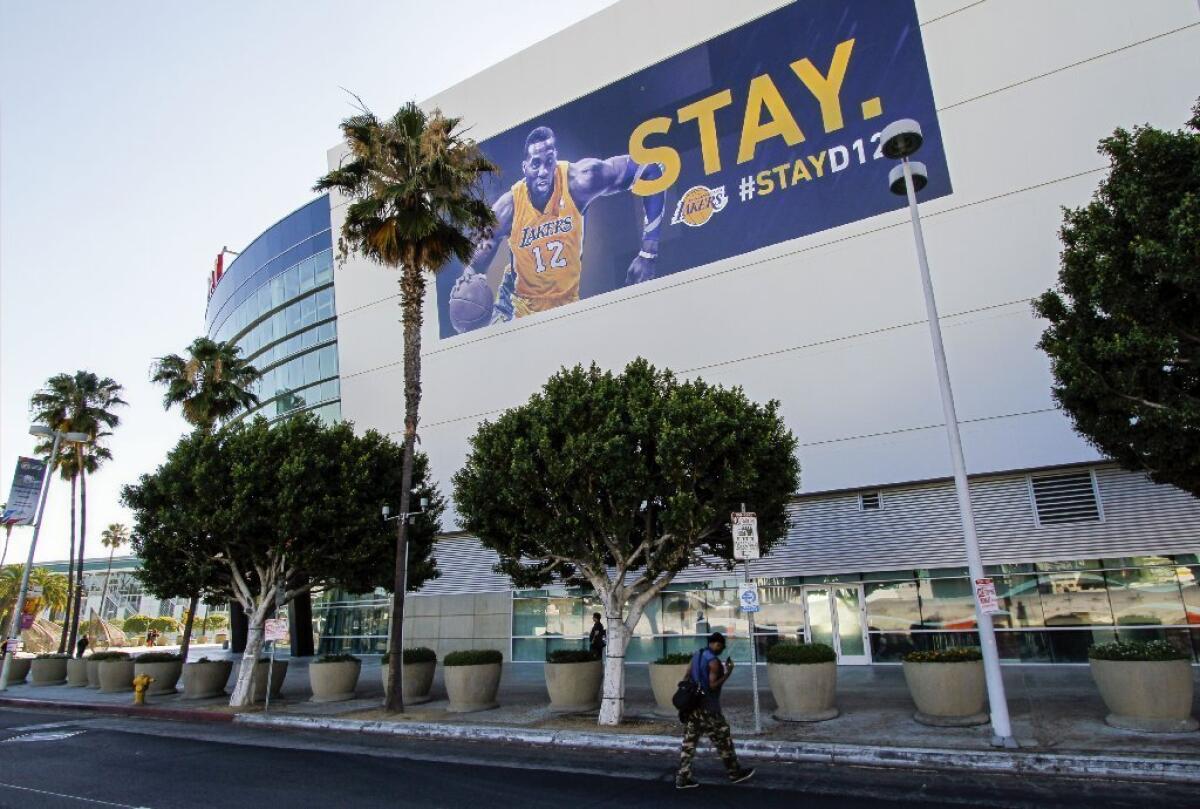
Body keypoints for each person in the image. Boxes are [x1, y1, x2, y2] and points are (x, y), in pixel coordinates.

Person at [450, 125, 666, 330]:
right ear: (524, 167)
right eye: (536, 164)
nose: (543, 171)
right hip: (516, 306)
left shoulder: (581, 181)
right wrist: (468, 280)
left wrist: (648, 253)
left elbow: (650, 169)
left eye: (549, 162)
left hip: (566, 304)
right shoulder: (510, 206)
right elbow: (478, 258)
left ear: (555, 160)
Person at [676, 632, 755, 789]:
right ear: (717, 644)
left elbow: (685, 677)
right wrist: (728, 673)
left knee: (689, 743)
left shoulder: (697, 655)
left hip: (693, 707)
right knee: (723, 740)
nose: (721, 650)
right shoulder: (714, 662)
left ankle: (683, 777)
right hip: (709, 708)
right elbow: (713, 686)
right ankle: (735, 773)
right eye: (721, 647)